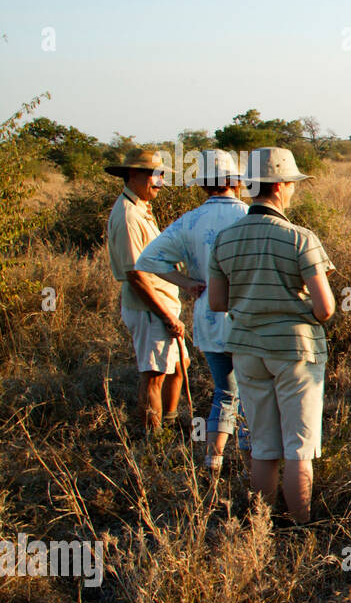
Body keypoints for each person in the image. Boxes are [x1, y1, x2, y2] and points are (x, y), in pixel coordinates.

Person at [206, 147, 335, 523]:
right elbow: (325, 309)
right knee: (299, 448)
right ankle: (301, 529)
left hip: (246, 349)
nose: (293, 191)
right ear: (279, 186)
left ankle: (262, 528)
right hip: (295, 351)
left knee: (263, 445)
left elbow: (217, 301)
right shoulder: (300, 238)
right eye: (291, 185)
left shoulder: (226, 239)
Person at [134, 149, 249, 481]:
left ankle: (213, 461)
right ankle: (248, 460)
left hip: (208, 318)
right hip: (245, 317)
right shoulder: (247, 215)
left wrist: (188, 283)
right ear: (233, 182)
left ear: (205, 186)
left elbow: (147, 260)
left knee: (224, 392)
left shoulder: (190, 220)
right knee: (251, 392)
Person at [104, 147, 191, 434]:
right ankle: (151, 440)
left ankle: (168, 423)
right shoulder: (128, 215)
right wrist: (166, 315)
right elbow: (135, 276)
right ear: (132, 175)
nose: (159, 182)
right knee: (153, 375)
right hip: (149, 308)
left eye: (162, 175)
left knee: (179, 366)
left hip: (162, 305)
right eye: (153, 175)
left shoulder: (141, 208)